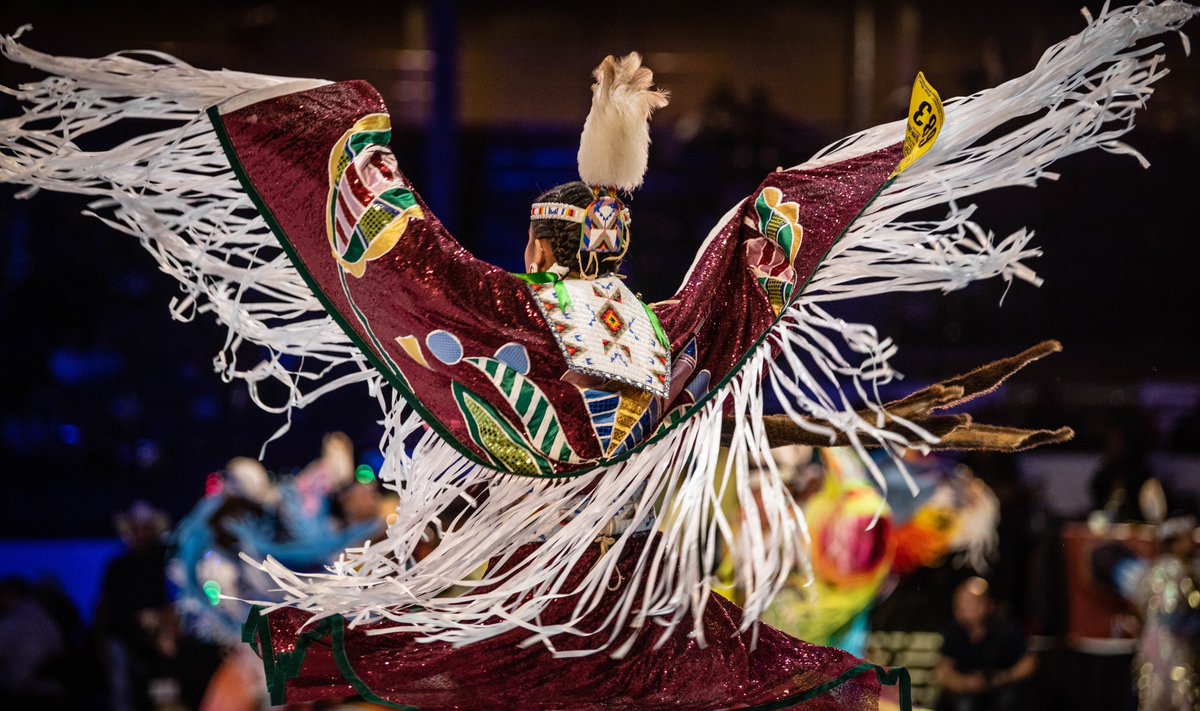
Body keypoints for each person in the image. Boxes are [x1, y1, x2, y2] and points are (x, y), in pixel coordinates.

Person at [2, 4, 1196, 708]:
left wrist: (310, 122)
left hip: (488, 623)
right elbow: (778, 226)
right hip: (636, 631)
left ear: (536, 249)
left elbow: (374, 242)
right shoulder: (667, 340)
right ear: (615, 253)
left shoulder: (486, 326)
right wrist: (935, 132)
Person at [938, 577, 1036, 711]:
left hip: (1004, 689)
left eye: (974, 603)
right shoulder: (952, 632)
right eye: (963, 604)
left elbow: (1028, 662)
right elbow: (944, 670)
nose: (969, 609)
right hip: (967, 694)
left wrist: (1005, 677)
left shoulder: (1005, 628)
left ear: (988, 604)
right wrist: (966, 683)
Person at [1132, 516, 1200, 710]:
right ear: (1175, 541)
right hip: (1172, 647)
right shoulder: (1174, 569)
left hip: (1152, 643)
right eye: (1187, 538)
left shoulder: (1153, 568)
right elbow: (1172, 614)